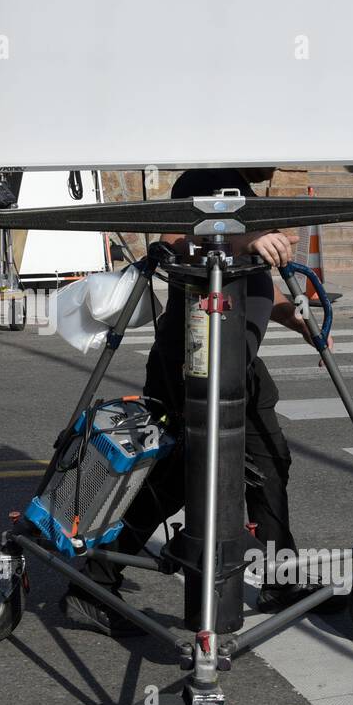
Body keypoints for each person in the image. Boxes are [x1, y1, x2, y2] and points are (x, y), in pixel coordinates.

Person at [62, 167, 323, 636]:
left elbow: (252, 281)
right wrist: (247, 241)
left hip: (238, 365)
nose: (279, 160)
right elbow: (174, 243)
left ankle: (280, 579)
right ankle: (91, 586)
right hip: (195, 362)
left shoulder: (244, 192)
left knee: (270, 462)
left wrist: (295, 317)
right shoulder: (204, 177)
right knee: (179, 479)